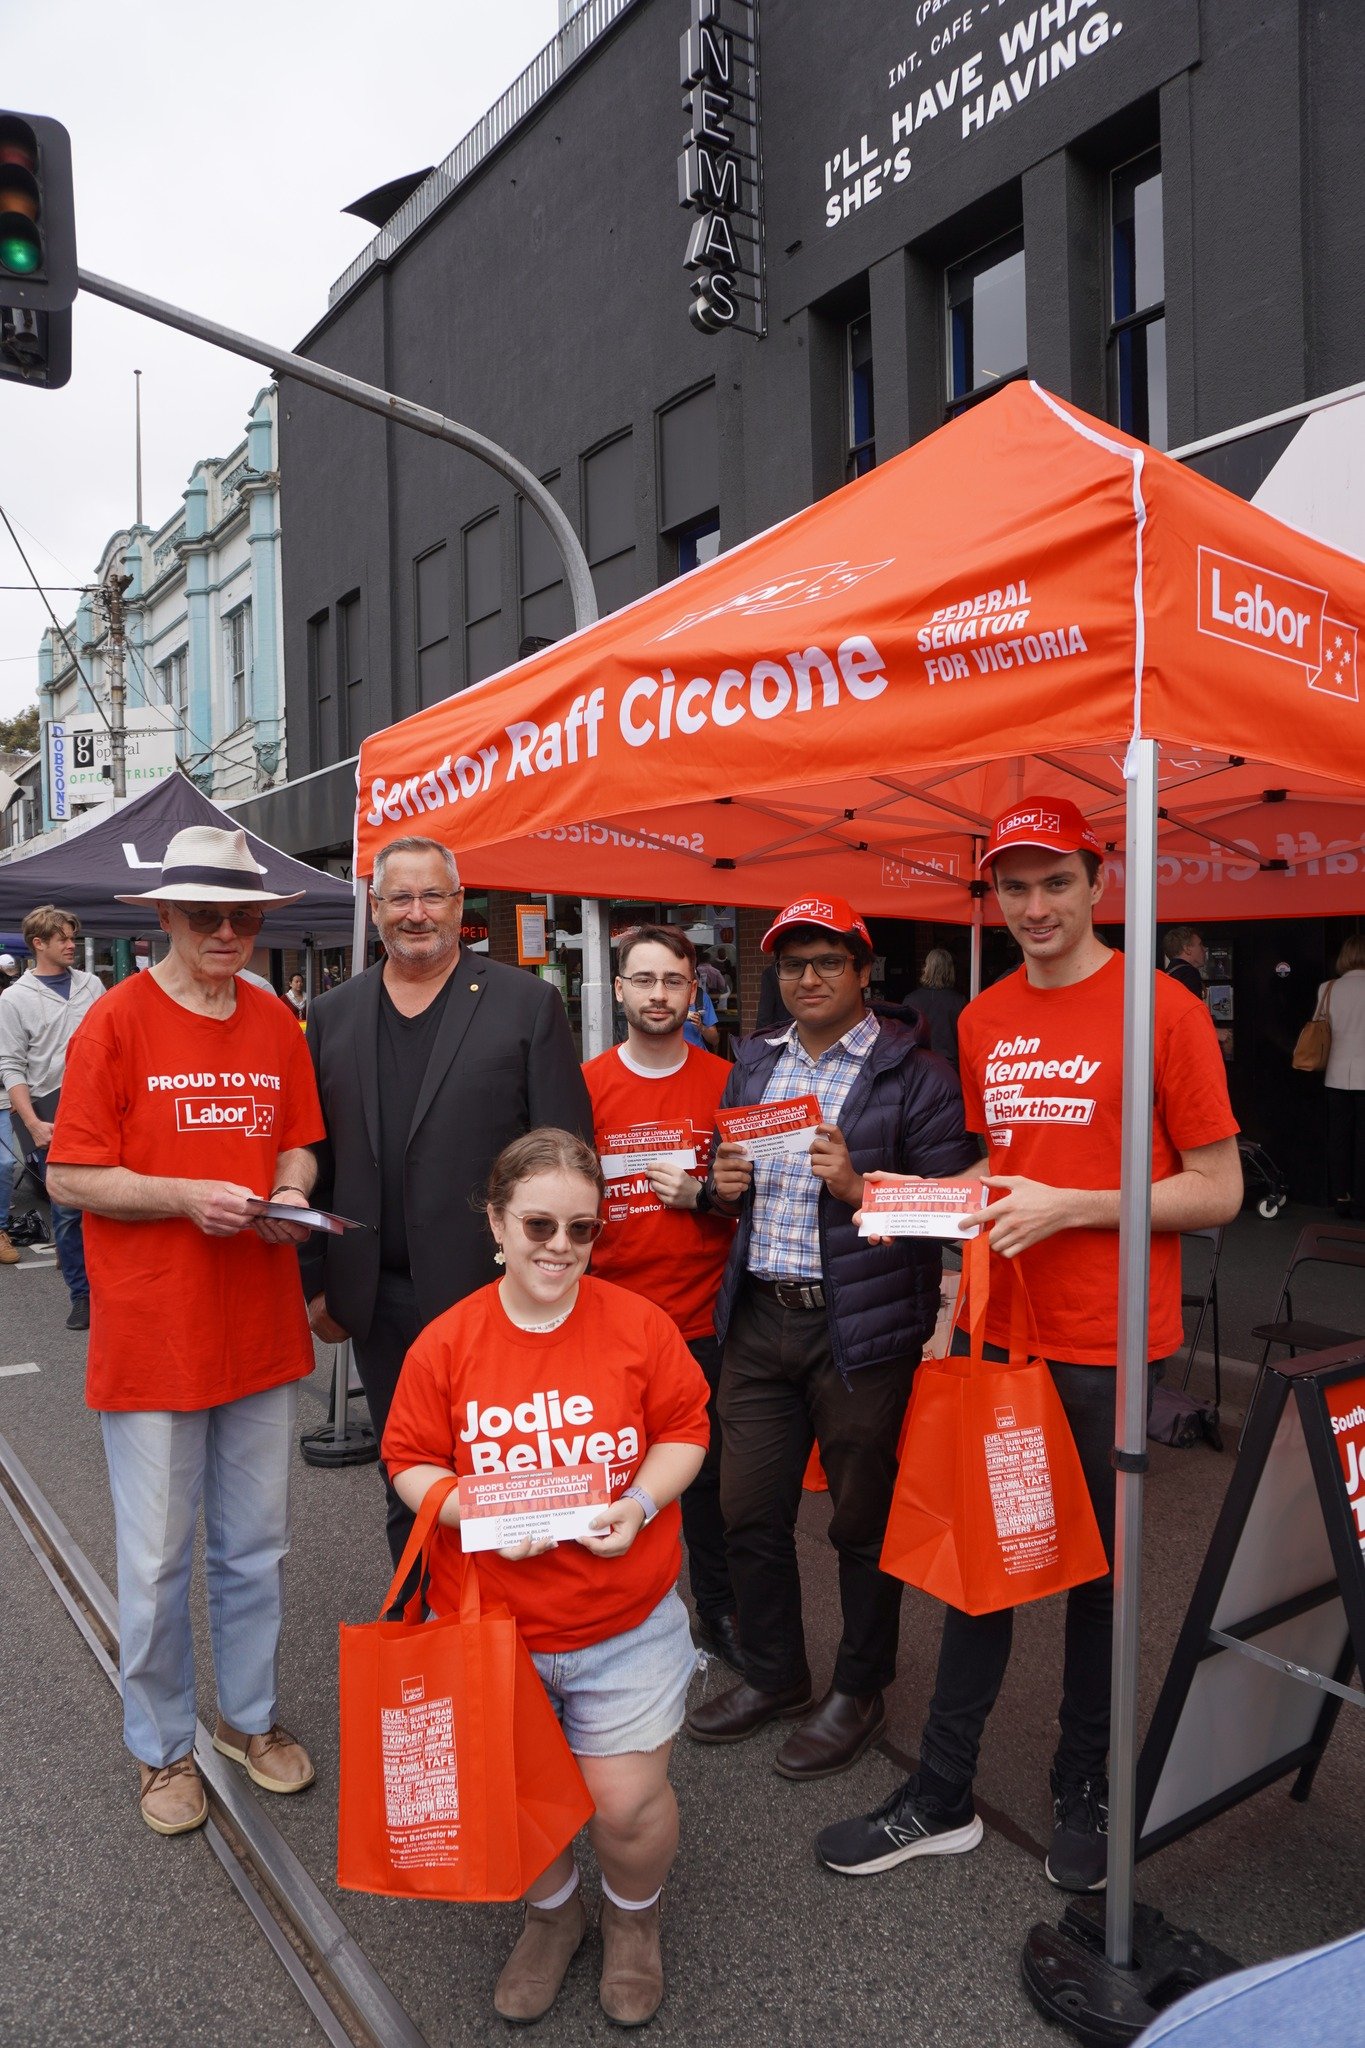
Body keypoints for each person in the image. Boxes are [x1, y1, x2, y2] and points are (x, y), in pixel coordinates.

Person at [817, 797, 1241, 1894]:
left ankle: (1083, 1782)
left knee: (1097, 1576)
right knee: (984, 1569)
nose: (1037, 904)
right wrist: (902, 1198)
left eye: (1056, 881)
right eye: (1015, 885)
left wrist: (1074, 1208)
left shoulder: (1164, 1009)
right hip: (1003, 1335)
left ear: (1099, 882)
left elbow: (1218, 1188)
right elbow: (1000, 1170)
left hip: (1110, 1339)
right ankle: (944, 1790)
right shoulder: (985, 1015)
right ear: (993, 897)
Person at [382, 1128, 710, 2027]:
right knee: (514, 1799)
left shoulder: (638, 1325)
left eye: (582, 1229)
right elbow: (408, 1458)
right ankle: (552, 1915)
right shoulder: (447, 1343)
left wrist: (638, 1503)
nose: (559, 1248)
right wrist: (472, 1509)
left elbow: (685, 1429)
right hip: (493, 1626)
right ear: (495, 1221)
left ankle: (632, 1920)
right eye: (537, 1225)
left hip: (623, 1620)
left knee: (627, 1805)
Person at [45, 827, 325, 1837]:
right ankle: (162, 1745)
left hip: (256, 1323)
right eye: (204, 912)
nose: (225, 930)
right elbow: (68, 1174)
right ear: (162, 914)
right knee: (157, 1559)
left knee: (255, 1546)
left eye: (242, 913)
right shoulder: (113, 1022)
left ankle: (247, 1719)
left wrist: (292, 1188)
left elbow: (297, 1138)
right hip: (157, 1328)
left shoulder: (275, 1022)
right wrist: (179, 1195)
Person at [684, 894, 976, 1777]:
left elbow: (952, 1210)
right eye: (791, 964)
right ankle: (777, 1673)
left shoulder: (914, 1074)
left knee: (860, 1520)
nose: (807, 978)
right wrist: (717, 1180)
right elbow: (719, 1177)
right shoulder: (752, 1062)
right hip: (762, 1317)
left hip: (862, 1330)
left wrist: (858, 1187)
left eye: (825, 962)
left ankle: (860, 1684)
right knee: (748, 1509)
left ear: (861, 972)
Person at [302, 833, 592, 1571]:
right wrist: (316, 1284)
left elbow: (566, 1156)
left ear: (459, 904)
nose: (417, 912)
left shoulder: (526, 1004)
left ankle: (510, 1643)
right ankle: (426, 1632)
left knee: (507, 1475)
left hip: (497, 1296)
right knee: (409, 1477)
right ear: (376, 908)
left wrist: (560, 1286)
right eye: (399, 897)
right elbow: (314, 1159)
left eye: (433, 895)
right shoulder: (333, 1015)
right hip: (379, 1304)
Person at [584, 924, 739, 1665]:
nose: (656, 995)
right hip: (609, 1321)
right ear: (619, 990)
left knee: (704, 1479)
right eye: (642, 980)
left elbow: (756, 1198)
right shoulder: (585, 1086)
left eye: (672, 982)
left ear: (692, 992)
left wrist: (705, 1194)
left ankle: (717, 1610)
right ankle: (618, 1616)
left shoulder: (725, 1083)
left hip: (702, 1317)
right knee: (613, 1474)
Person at [0, 905, 104, 1328]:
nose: (70, 945)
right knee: (66, 1208)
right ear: (38, 944)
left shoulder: (92, 984)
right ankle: (82, 1295)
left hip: (101, 1103)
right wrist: (33, 1123)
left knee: (112, 1202)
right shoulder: (15, 997)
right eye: (61, 938)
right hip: (50, 1106)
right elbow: (10, 1065)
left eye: (73, 937)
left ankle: (111, 1289)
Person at [1321, 933, 1365, 1219]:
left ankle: (1341, 1197)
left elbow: (1320, 1027)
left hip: (1336, 1075)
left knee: (1338, 1138)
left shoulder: (1328, 988)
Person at [909, 947, 967, 1067]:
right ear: (950, 970)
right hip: (949, 1067)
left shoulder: (911, 1000)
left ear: (927, 968)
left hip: (918, 1066)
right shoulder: (959, 1001)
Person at [1163, 926, 1207, 999]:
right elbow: (1193, 1009)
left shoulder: (1167, 975)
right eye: (1200, 944)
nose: (1205, 949)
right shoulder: (1189, 973)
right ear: (1187, 949)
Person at [682, 978, 720, 1052]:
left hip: (697, 1054)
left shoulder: (702, 998)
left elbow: (715, 1040)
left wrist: (701, 1026)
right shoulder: (664, 997)